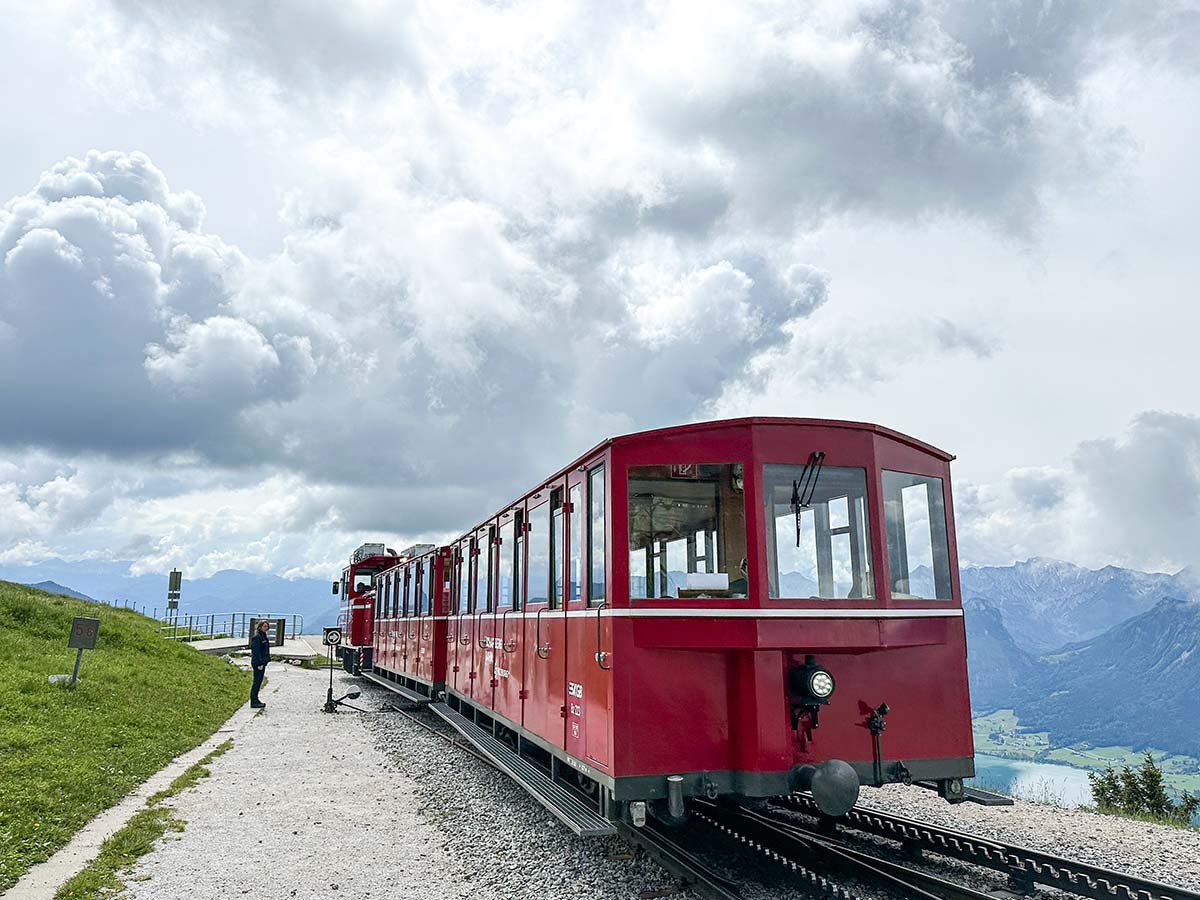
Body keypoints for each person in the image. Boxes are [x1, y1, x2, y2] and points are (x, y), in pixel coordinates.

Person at [250, 619, 271, 709]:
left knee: (259, 682)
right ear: (260, 627)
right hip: (258, 663)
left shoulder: (263, 636)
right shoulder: (257, 637)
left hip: (262, 662)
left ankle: (256, 699)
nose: (266, 628)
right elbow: (256, 651)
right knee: (256, 682)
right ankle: (254, 701)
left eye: (267, 627)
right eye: (264, 626)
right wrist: (260, 663)